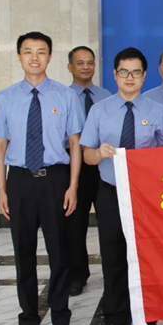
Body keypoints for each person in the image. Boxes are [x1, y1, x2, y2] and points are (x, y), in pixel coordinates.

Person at [0, 31, 84, 325]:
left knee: (60, 254)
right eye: (28, 51)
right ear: (19, 56)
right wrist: (3, 190)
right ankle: (28, 320)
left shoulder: (65, 96)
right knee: (23, 253)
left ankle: (60, 320)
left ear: (50, 57)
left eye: (41, 51)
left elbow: (75, 144)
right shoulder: (5, 98)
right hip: (20, 181)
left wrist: (73, 186)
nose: (34, 57)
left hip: (55, 179)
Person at [79, 47, 163, 325]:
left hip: (145, 196)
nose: (130, 77)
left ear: (144, 76)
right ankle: (116, 317)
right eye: (124, 72)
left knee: (146, 258)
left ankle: (148, 318)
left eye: (136, 72)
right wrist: (98, 153)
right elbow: (87, 155)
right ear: (115, 75)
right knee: (113, 256)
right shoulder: (99, 110)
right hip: (110, 192)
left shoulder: (156, 111)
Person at [66, 45, 111, 297]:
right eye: (80, 63)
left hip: (103, 164)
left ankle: (112, 273)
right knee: (75, 222)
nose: (86, 67)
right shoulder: (63, 97)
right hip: (74, 166)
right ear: (70, 67)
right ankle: (77, 274)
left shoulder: (106, 96)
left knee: (108, 222)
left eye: (90, 62)